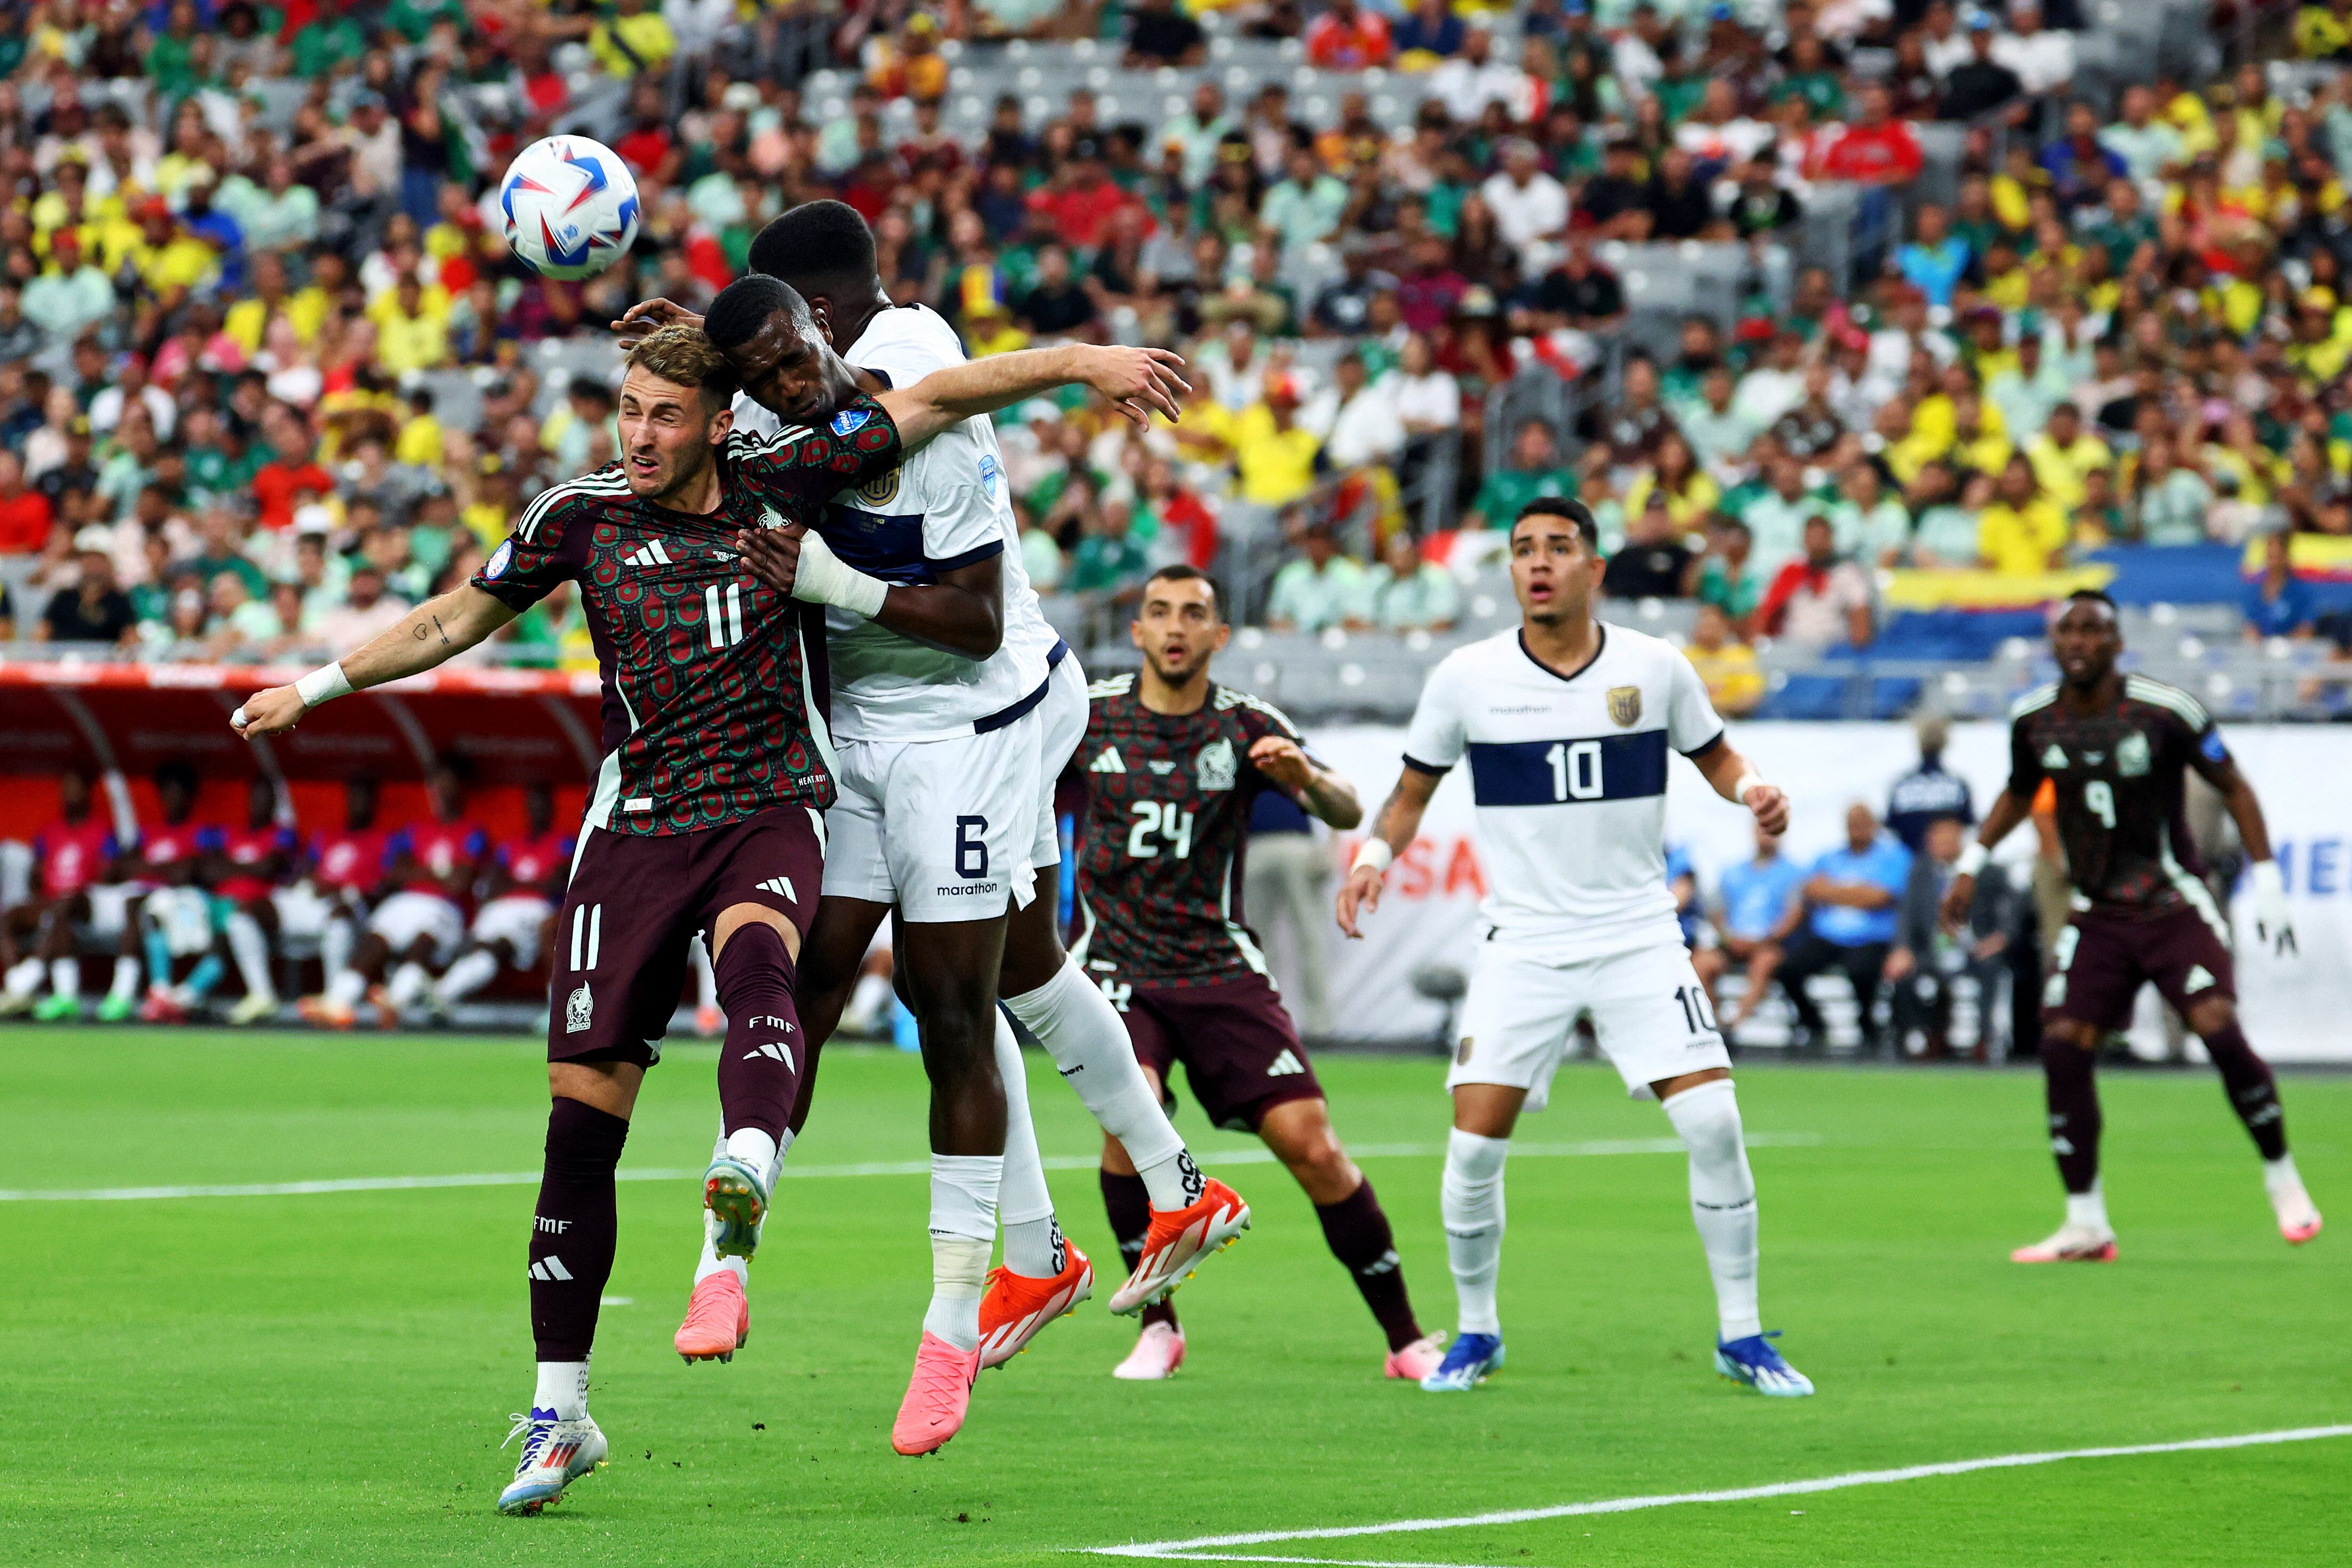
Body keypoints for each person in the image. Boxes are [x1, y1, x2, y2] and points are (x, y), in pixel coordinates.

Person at [233, 318, 1189, 1508]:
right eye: (628, 411)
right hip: (633, 829)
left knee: (767, 974)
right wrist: (316, 687)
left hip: (769, 812)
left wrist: (1082, 363)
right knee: (579, 1128)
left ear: (718, 425)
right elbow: (455, 619)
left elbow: (942, 394)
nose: (639, 434)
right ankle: (558, 1411)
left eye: (664, 415)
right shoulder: (573, 517)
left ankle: (737, 1201)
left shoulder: (785, 475)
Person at [616, 237, 1232, 1459]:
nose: (796, 377)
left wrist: (1086, 363)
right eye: (768, 365)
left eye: (800, 346)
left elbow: (966, 605)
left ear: (833, 316)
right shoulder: (792, 407)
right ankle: (1143, 1199)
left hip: (980, 704)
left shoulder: (911, 359)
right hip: (868, 724)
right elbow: (757, 386)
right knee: (947, 969)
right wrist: (696, 348)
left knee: (959, 988)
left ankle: (989, 1289)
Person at [1337, 496, 1813, 1399]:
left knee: (1712, 1122)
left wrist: (1752, 789)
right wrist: (1370, 857)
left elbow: (1714, 755)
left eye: (1558, 547)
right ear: (1510, 571)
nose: (1538, 562)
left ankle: (1741, 1333)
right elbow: (1409, 791)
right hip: (1522, 941)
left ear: (1594, 568)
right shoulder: (1465, 677)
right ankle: (1475, 1330)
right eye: (1522, 550)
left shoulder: (1654, 666)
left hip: (1636, 934)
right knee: (1473, 1150)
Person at [1077, 566, 1443, 1383]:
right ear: (1136, 631)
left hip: (1217, 967)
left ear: (1219, 636)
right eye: (1159, 611)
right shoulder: (1088, 717)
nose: (1176, 626)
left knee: (1313, 1148)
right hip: (1114, 965)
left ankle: (1406, 1339)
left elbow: (1348, 808)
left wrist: (1304, 780)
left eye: (1195, 614)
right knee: (1129, 1109)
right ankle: (1159, 1327)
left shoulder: (1245, 726)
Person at [1941, 590, 2322, 1261]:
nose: (2080, 642)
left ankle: (2281, 1175)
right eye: (2069, 632)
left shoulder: (2164, 709)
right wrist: (1971, 863)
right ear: (2054, 645)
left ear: (2118, 644)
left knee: (2215, 1025)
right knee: (2062, 1042)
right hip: (2097, 910)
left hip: (2172, 900)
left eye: (2095, 630)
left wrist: (2266, 877)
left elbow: (2233, 784)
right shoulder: (2034, 718)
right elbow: (2019, 789)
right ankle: (2085, 1221)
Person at [0, 768, 139, 1022]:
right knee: (7, 919)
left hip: (86, 904)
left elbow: (108, 875)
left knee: (67, 906)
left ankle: (27, 978)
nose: (69, 795)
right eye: (65, 789)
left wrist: (77, 892)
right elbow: (36, 876)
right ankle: (17, 987)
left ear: (87, 793)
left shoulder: (102, 831)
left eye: (75, 788)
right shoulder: (48, 832)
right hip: (53, 904)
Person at [427, 782, 573, 1020]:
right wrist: (531, 882)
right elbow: (496, 883)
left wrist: (518, 883)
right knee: (488, 948)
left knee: (503, 944)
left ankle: (556, 1012)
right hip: (502, 909)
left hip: (538, 910)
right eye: (533, 804)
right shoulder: (509, 846)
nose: (538, 810)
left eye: (543, 805)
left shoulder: (564, 843)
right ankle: (442, 994)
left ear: (551, 808)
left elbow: (555, 883)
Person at [1774, 803, 1910, 1053]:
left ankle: (1868, 1026)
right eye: (1852, 823)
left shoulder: (1894, 856)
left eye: (1862, 822)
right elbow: (1810, 889)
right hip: (1828, 937)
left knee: (1861, 971)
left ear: (1874, 825)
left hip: (1871, 937)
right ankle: (1814, 1024)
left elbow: (1880, 897)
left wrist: (1832, 892)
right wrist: (1859, 893)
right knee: (1788, 969)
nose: (1857, 828)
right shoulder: (1827, 857)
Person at [1886, 815, 2016, 1061]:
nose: (1943, 844)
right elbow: (1907, 914)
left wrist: (2001, 937)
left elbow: (2013, 903)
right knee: (1906, 977)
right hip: (1933, 951)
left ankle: (1985, 1039)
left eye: (1949, 838)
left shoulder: (1983, 872)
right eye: (1937, 839)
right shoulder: (1921, 872)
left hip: (1973, 949)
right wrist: (1902, 948)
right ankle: (1923, 1038)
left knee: (1990, 969)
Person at [1704, 821, 1808, 1033]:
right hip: (1733, 942)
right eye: (1762, 830)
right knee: (1702, 962)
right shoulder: (1732, 871)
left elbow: (1795, 914)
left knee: (1765, 963)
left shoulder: (1795, 873)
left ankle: (1734, 1026)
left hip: (1768, 944)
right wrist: (1728, 938)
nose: (1766, 836)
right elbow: (1715, 911)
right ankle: (1713, 1022)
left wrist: (1765, 940)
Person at [1885, 713, 1976, 852]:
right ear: (1946, 742)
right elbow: (1968, 824)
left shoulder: (1902, 785)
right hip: (1943, 864)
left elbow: (1891, 828)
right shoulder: (1957, 785)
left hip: (1910, 863)